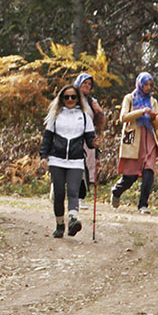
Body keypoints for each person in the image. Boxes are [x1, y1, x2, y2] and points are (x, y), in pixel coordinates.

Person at [40, 84, 95, 238]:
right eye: (66, 97)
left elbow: (90, 140)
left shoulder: (84, 117)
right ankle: (59, 224)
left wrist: (95, 143)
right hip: (56, 159)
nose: (70, 100)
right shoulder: (55, 116)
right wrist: (43, 156)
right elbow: (47, 139)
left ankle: (72, 220)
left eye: (73, 97)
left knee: (73, 191)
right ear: (61, 99)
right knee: (58, 193)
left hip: (76, 160)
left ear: (78, 98)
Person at [111, 72, 158, 212]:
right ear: (139, 84)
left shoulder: (153, 101)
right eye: (145, 84)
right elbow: (123, 117)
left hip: (149, 138)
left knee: (149, 171)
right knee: (131, 175)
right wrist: (141, 112)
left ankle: (143, 204)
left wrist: (152, 117)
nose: (148, 87)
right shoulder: (130, 98)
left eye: (150, 85)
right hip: (134, 137)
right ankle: (117, 191)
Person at [73, 73, 105, 187]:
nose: (87, 86)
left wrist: (100, 112)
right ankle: (57, 188)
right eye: (84, 83)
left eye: (89, 84)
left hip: (86, 139)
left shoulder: (92, 101)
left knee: (84, 167)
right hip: (70, 136)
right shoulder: (70, 97)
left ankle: (79, 196)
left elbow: (100, 125)